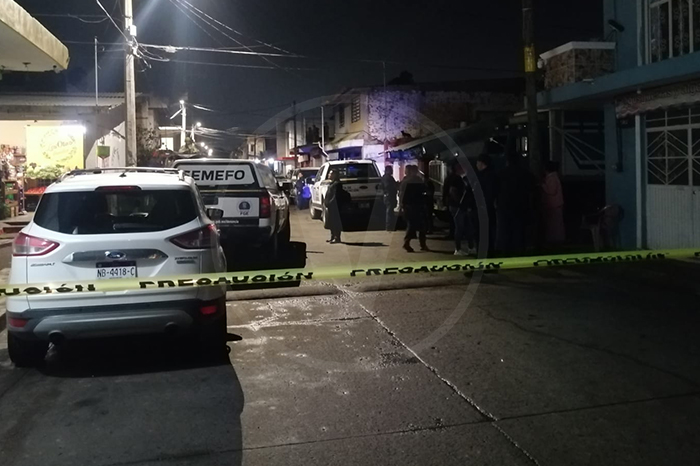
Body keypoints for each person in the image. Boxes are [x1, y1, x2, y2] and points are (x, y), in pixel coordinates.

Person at [497, 152, 534, 255]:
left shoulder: (501, 174)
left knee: (505, 230)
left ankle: (506, 250)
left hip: (505, 206)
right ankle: (519, 250)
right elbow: (532, 188)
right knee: (519, 230)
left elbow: (496, 189)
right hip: (521, 205)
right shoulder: (525, 173)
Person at [442, 162, 474, 256]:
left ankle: (469, 247)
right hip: (457, 206)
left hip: (458, 205)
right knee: (460, 227)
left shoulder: (456, 178)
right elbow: (453, 191)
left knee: (466, 226)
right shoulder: (456, 179)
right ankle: (458, 248)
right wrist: (460, 203)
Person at [473, 153, 498, 255]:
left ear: (482, 163)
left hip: (482, 210)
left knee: (481, 235)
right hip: (488, 209)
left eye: (478, 162)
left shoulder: (483, 177)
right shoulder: (492, 175)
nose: (476, 165)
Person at [399, 165, 428, 252]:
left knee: (412, 225)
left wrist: (401, 205)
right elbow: (424, 190)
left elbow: (401, 194)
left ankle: (408, 243)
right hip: (416, 205)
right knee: (419, 225)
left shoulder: (406, 181)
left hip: (410, 205)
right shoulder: (417, 180)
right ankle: (419, 244)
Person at [541, 160, 565, 245]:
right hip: (555, 204)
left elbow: (552, 191)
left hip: (554, 204)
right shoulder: (554, 177)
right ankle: (556, 239)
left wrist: (543, 186)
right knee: (556, 224)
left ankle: (555, 239)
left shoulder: (552, 178)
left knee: (554, 225)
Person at [324, 169, 346, 244]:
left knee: (335, 222)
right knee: (331, 222)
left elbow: (335, 196)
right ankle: (332, 236)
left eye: (330, 173)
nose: (329, 175)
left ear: (335, 175)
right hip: (330, 207)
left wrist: (330, 203)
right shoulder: (332, 183)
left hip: (335, 207)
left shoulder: (337, 184)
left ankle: (337, 238)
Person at [381, 165, 398, 231]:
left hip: (389, 195)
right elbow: (388, 186)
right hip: (389, 196)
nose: (392, 171)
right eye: (391, 170)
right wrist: (395, 186)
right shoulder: (387, 178)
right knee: (389, 211)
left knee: (390, 211)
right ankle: (389, 226)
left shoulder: (387, 177)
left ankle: (390, 226)